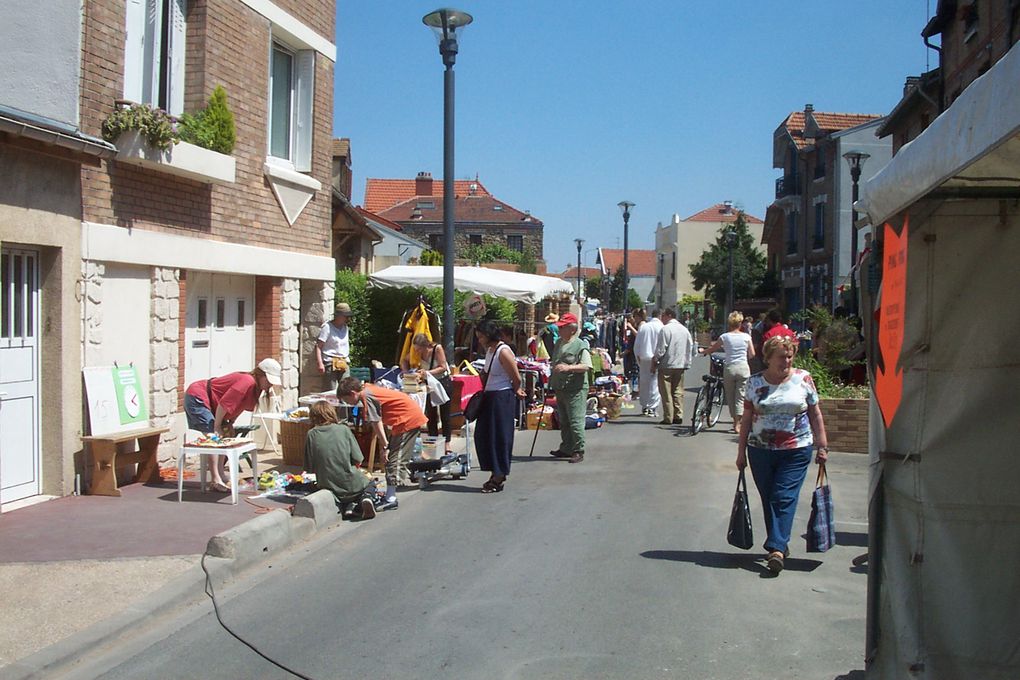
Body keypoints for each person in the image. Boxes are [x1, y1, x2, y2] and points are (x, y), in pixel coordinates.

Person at [736, 335, 830, 574]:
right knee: (769, 498)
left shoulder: (803, 379)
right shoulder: (755, 383)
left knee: (783, 496)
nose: (786, 361)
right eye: (781, 357)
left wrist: (822, 445)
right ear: (768, 358)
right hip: (760, 450)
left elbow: (815, 413)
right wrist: (740, 453)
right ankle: (779, 542)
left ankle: (776, 548)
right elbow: (746, 419)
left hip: (795, 450)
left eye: (790, 356)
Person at [184, 358, 281, 492]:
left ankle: (220, 473)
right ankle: (215, 479)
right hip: (198, 396)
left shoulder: (257, 388)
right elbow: (225, 403)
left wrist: (230, 423)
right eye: (269, 381)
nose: (270, 385)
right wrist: (217, 426)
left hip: (214, 405)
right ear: (261, 375)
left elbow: (239, 405)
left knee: (226, 435)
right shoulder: (247, 381)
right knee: (214, 438)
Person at [336, 376, 428, 510]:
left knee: (395, 459)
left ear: (352, 393)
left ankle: (391, 498)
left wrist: (385, 446)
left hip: (406, 420)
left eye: (346, 400)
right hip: (403, 420)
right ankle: (397, 488)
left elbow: (376, 422)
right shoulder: (368, 390)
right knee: (394, 456)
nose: (348, 404)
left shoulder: (367, 396)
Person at [474, 320, 525, 491]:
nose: (479, 340)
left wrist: (517, 390)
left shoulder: (503, 351)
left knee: (499, 436)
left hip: (501, 397)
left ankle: (499, 474)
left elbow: (516, 377)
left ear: (489, 335)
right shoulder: (490, 351)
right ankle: (494, 470)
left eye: (481, 336)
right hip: (489, 396)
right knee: (484, 435)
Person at [303, 400, 376, 520]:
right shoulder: (344, 429)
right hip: (352, 484)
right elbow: (358, 459)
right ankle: (366, 498)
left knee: (340, 492)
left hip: (328, 486)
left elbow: (309, 468)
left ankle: (349, 507)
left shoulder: (311, 434)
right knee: (370, 482)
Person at [699, 310, 755, 433]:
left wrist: (704, 351)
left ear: (729, 323)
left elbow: (713, 349)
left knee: (730, 396)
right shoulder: (746, 337)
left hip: (730, 368)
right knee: (740, 397)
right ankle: (737, 424)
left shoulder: (725, 337)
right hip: (743, 368)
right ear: (740, 324)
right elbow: (752, 354)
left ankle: (734, 420)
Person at [548, 313, 593, 464]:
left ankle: (578, 449)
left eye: (562, 327)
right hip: (561, 387)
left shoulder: (581, 345)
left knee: (575, 420)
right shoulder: (559, 342)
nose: (559, 329)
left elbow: (586, 366)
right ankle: (566, 447)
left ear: (572, 329)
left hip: (576, 388)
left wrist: (568, 368)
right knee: (564, 419)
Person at [400, 333, 453, 456]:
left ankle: (447, 443)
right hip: (429, 383)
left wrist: (427, 372)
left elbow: (443, 367)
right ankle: (433, 440)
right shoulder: (416, 352)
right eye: (416, 349)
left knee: (445, 414)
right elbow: (404, 360)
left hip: (442, 382)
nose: (417, 352)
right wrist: (406, 371)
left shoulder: (437, 349)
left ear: (425, 346)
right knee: (431, 413)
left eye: (419, 349)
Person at [652, 308, 695, 426]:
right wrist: (688, 362)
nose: (662, 318)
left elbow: (661, 349)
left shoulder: (665, 330)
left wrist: (655, 360)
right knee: (678, 390)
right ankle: (678, 415)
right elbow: (690, 347)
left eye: (664, 316)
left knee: (666, 392)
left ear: (669, 316)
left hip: (667, 364)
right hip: (680, 364)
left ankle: (668, 416)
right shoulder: (684, 330)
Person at [315, 302, 354, 389]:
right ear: (339, 316)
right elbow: (319, 346)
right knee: (330, 390)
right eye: (345, 316)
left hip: (344, 362)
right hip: (330, 362)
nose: (347, 318)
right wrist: (320, 363)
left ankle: (344, 403)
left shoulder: (345, 328)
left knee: (346, 388)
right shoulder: (327, 327)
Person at [633, 308, 663, 417]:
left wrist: (638, 358)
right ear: (660, 316)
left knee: (644, 382)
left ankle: (645, 406)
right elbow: (662, 346)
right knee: (655, 383)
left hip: (644, 358)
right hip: (655, 358)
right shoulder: (661, 328)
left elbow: (637, 345)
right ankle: (652, 407)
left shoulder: (644, 327)